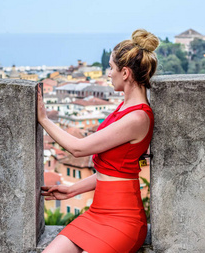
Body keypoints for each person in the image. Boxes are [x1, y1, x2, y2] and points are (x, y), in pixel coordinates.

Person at [37, 29, 159, 253]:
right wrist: (73, 190)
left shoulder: (137, 118)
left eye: (111, 68)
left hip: (123, 220)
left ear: (125, 73)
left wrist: (44, 119)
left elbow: (78, 148)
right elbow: (112, 172)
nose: (108, 74)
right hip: (97, 213)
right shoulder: (123, 109)